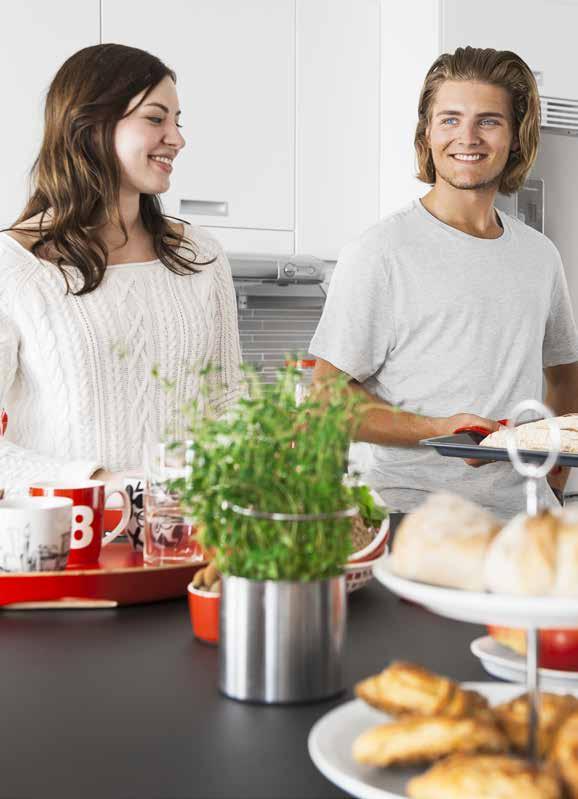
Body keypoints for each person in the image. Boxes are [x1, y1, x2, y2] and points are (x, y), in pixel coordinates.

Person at [309, 46, 578, 520]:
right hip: (410, 519)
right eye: (450, 119)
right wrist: (435, 428)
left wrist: (554, 479)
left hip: (521, 522)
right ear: (427, 133)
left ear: (516, 137)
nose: (467, 137)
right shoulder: (381, 252)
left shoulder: (540, 256)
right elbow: (326, 398)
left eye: (489, 121)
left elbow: (564, 376)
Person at [0, 44, 242, 492]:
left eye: (177, 121)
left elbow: (227, 403)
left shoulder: (201, 256)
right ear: (90, 126)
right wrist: (102, 483)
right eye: (156, 118)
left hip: (187, 538)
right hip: (67, 544)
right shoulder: (15, 266)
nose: (177, 138)